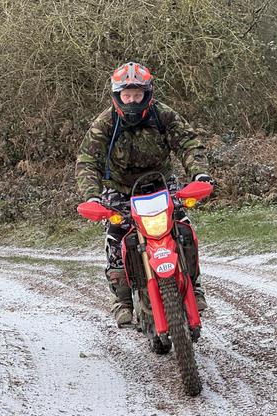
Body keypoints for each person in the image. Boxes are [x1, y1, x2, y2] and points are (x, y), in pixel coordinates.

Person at [75, 62, 214, 327]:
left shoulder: (163, 115)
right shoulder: (105, 123)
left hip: (160, 184)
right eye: (126, 95)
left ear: (147, 94)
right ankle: (123, 301)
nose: (132, 101)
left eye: (137, 95)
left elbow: (188, 142)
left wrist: (199, 174)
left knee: (183, 229)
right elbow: (87, 161)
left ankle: (194, 288)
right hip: (120, 190)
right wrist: (92, 196)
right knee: (117, 240)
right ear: (117, 95)